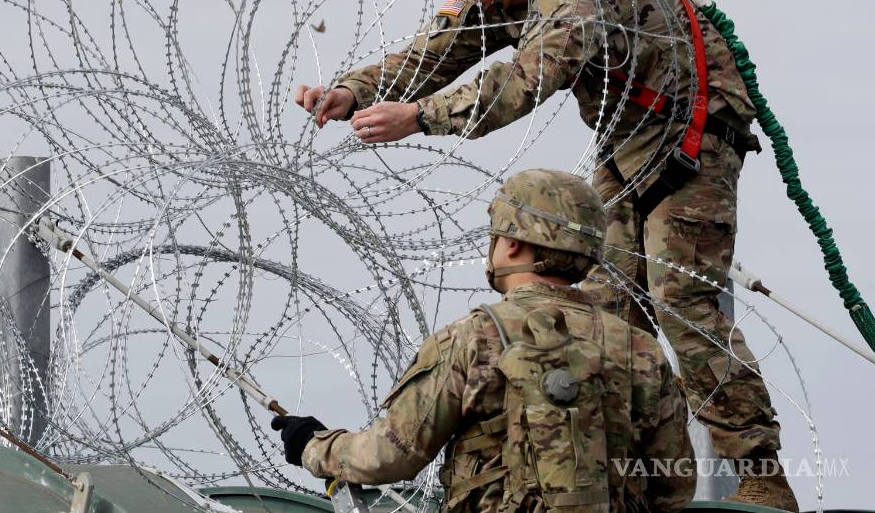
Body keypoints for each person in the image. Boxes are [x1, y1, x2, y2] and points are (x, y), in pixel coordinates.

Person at [293, 0, 796, 510]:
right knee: (605, 316)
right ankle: (608, 476)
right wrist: (355, 92)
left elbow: (526, 80)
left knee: (680, 300)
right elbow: (440, 50)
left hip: (693, 139)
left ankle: (761, 474)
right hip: (628, 145)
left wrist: (419, 118)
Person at [273, 169, 695, 512]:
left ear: (511, 243)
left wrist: (316, 445)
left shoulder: (476, 335)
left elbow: (393, 453)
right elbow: (674, 487)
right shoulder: (640, 347)